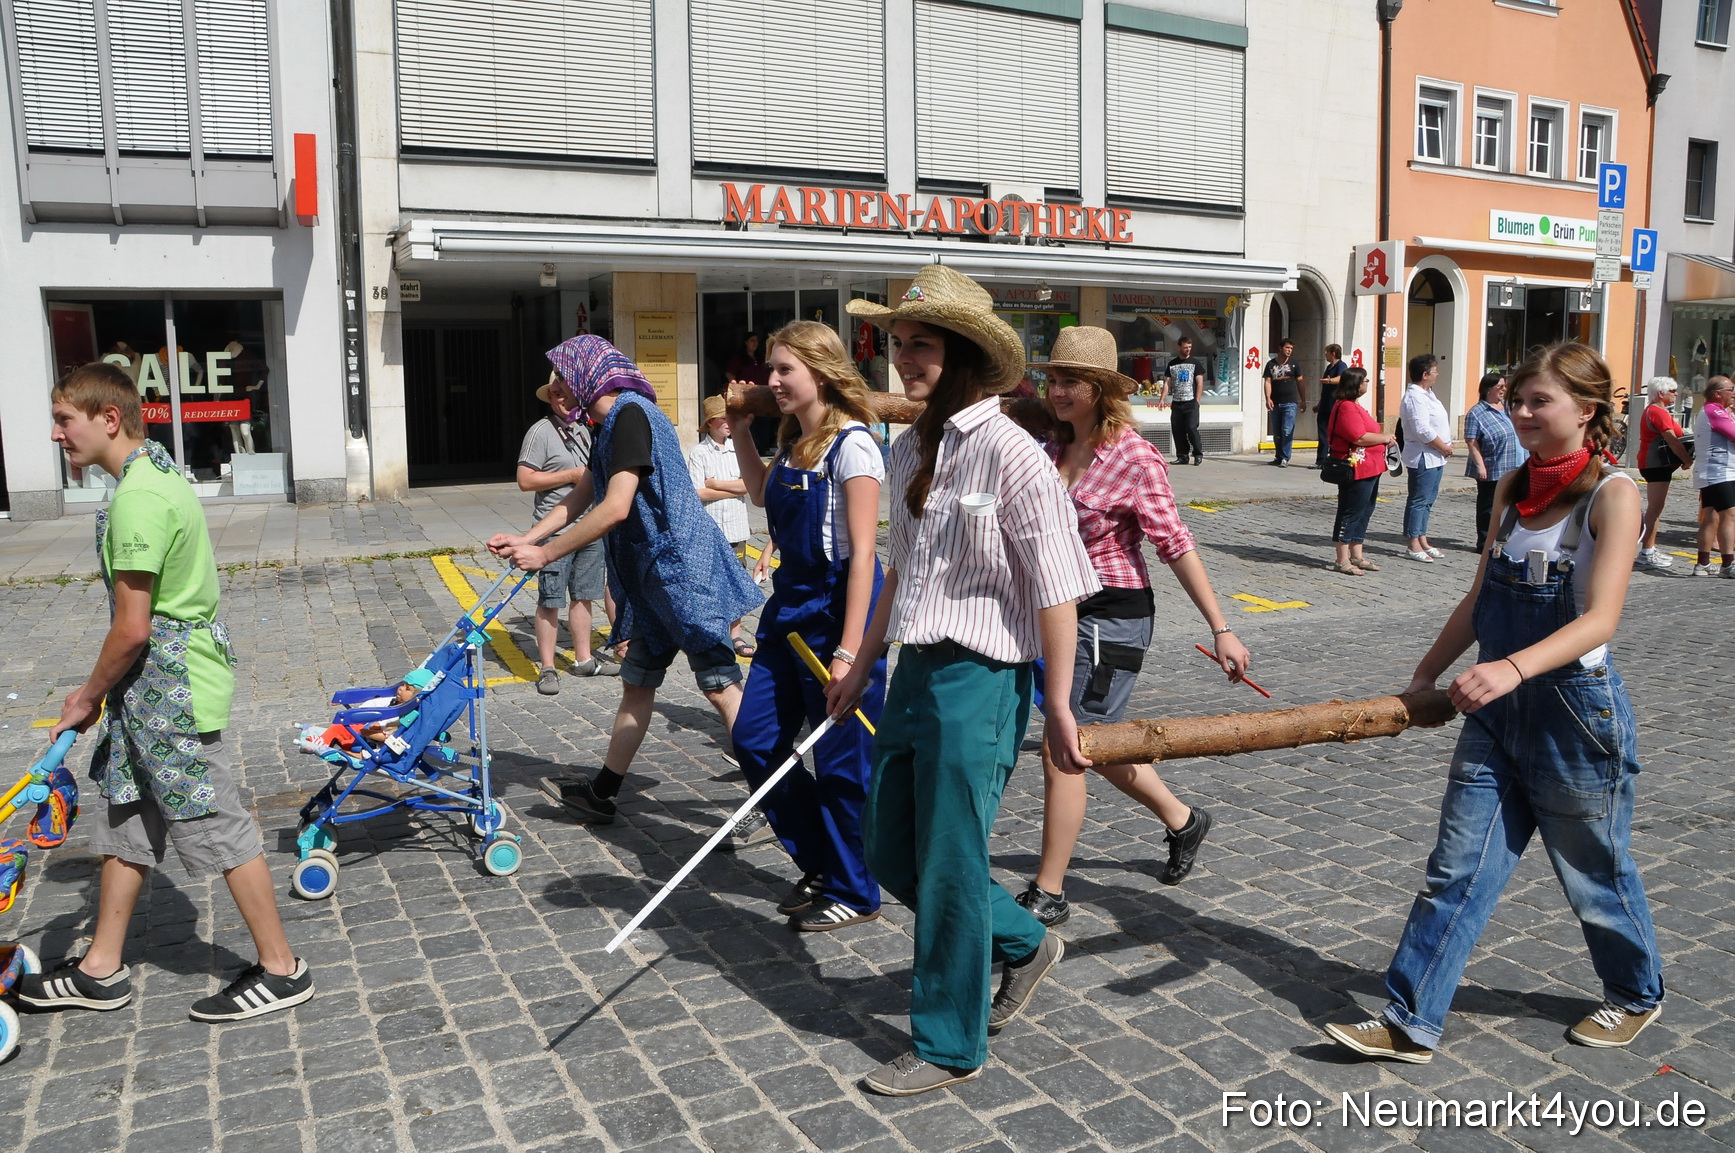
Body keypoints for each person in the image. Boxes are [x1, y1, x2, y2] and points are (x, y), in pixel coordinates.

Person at [1325, 341, 1663, 1063]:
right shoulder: (1512, 485)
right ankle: (1409, 1019)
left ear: (1587, 409)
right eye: (1517, 400)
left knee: (1595, 872)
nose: (1522, 412)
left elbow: (1599, 619)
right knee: (1456, 867)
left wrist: (1510, 667)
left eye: (1540, 401)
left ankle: (1635, 992)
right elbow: (1480, 596)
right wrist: (1423, 675)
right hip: (1495, 714)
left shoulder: (1614, 492)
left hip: (1575, 717)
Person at [826, 265, 1097, 1096]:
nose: (904, 358)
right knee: (888, 850)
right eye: (898, 343)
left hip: (982, 678)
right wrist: (860, 661)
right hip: (914, 670)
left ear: (969, 355)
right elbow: (900, 575)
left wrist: (1054, 700)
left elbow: (1056, 581)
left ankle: (949, 1043)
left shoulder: (1013, 452)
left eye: (922, 345)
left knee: (947, 862)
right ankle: (1022, 940)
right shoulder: (909, 445)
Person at [24, 363, 312, 1022]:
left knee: (213, 819)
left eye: (65, 419)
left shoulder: (139, 498)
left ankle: (282, 967)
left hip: (170, 686)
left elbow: (132, 627)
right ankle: (100, 968)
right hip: (155, 686)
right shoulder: (153, 474)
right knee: (127, 813)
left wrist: (86, 696)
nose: (55, 433)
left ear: (107, 419)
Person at [1013, 327, 1251, 929]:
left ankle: (1050, 889)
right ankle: (1183, 820)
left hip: (1110, 613)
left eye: (1071, 382)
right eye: (1053, 379)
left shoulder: (1133, 457)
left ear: (1099, 390)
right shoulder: (1045, 439)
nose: (1058, 391)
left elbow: (1175, 543)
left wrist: (1221, 628)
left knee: (1068, 745)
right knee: (1094, 740)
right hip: (1052, 609)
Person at [491, 336, 763, 824]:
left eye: (562, 374)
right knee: (637, 683)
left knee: (721, 684)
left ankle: (772, 800)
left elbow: (615, 508)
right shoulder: (609, 424)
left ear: (584, 374)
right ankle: (602, 792)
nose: (557, 384)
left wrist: (546, 553)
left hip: (681, 574)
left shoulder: (631, 415)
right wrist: (526, 538)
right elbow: (583, 495)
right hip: (654, 580)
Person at [727, 320, 887, 930]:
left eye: (783, 370)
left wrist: (850, 653)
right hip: (787, 610)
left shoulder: (855, 446)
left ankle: (855, 887)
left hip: (836, 614)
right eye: (770, 370)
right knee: (754, 739)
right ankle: (820, 860)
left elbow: (866, 559)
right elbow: (764, 496)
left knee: (844, 761)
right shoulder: (796, 438)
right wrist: (743, 429)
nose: (771, 381)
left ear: (821, 371)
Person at [517, 373, 618, 693]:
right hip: (552, 529)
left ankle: (583, 659)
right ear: (549, 397)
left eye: (567, 393)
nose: (562, 399)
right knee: (550, 599)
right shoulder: (540, 431)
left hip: (589, 528)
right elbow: (525, 480)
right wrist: (570, 475)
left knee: (584, 597)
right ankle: (547, 667)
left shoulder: (588, 428)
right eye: (555, 394)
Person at [689, 394, 756, 656]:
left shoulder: (738, 449)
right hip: (712, 528)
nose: (728, 422)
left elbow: (748, 485)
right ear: (711, 422)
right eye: (723, 418)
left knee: (737, 582)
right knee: (711, 583)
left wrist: (715, 484)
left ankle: (736, 634)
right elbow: (697, 493)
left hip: (737, 528)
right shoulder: (699, 453)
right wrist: (733, 490)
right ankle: (716, 634)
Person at [1326, 367, 1397, 575]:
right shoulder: (1346, 407)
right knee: (1350, 511)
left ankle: (1357, 555)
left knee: (1365, 511)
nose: (1367, 383)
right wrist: (1385, 438)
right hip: (1356, 468)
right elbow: (1358, 437)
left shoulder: (1356, 406)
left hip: (1371, 467)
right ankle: (1342, 559)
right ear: (1356, 383)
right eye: (1365, 380)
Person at [296, 668, 435, 753]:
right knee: (342, 727)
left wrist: (368, 731)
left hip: (371, 743)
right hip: (366, 732)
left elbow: (391, 737)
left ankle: (322, 742)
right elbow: (377, 703)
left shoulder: (409, 715)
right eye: (402, 685)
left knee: (340, 726)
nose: (400, 688)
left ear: (417, 695)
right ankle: (325, 739)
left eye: (407, 688)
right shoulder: (396, 702)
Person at [1463, 371, 1527, 553]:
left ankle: (1507, 538)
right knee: (1489, 507)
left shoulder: (1507, 407)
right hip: (1493, 466)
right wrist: (1480, 465)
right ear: (1488, 389)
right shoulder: (1477, 413)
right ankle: (1484, 542)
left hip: (1517, 464)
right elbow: (1471, 441)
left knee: (1515, 505)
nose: (1503, 390)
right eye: (1500, 386)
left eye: (1505, 386)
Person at [1399, 353, 1454, 561]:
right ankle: (1413, 543)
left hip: (1436, 455)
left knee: (1429, 500)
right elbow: (1422, 429)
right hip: (1424, 455)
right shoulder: (1414, 396)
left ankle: (1422, 538)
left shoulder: (1428, 394)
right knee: (1418, 500)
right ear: (1425, 374)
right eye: (1434, 370)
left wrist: (1445, 447)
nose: (1437, 374)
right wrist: (1443, 447)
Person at [1636, 376, 1691, 569]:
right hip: (1655, 464)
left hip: (1656, 464)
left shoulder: (1658, 410)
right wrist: (1686, 459)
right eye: (1673, 390)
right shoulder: (1657, 412)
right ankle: (1646, 550)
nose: (1676, 394)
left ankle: (1648, 548)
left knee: (1656, 508)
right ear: (1661, 393)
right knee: (1655, 509)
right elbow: (1672, 440)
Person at [1690, 375, 1735, 577]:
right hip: (1720, 472)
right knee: (1729, 516)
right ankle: (1728, 564)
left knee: (1711, 518)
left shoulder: (1715, 410)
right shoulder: (1714, 410)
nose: (1734, 393)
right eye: (1731, 389)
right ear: (1718, 393)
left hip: (1713, 471)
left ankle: (1703, 564)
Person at [1158, 336, 1211, 465]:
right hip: (1177, 402)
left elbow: (1199, 383)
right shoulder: (1172, 364)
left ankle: (1198, 454)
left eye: (1190, 347)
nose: (1188, 349)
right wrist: (1162, 399)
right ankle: (1182, 456)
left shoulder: (1195, 363)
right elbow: (1167, 383)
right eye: (1185, 347)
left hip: (1190, 402)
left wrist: (1197, 400)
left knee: (1191, 427)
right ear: (1179, 347)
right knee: (1177, 430)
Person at [1262, 340, 1306, 467]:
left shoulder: (1294, 364)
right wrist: (1267, 398)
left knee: (1287, 431)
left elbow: (1300, 382)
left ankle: (1285, 458)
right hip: (1275, 403)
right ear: (1280, 348)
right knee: (1277, 433)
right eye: (1287, 347)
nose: (1289, 350)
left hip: (1290, 403)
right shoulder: (1271, 364)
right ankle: (1278, 456)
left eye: (1291, 348)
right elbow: (1268, 382)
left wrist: (1303, 400)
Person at [1314, 344, 1348, 468]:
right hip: (1325, 404)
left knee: (1333, 434)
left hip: (1334, 405)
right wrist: (1319, 404)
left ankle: (1331, 459)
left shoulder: (1341, 366)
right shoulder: (1329, 367)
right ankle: (1321, 459)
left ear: (1333, 353)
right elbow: (1326, 389)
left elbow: (1341, 379)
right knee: (1322, 433)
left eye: (1327, 352)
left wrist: (1328, 380)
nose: (1325, 355)